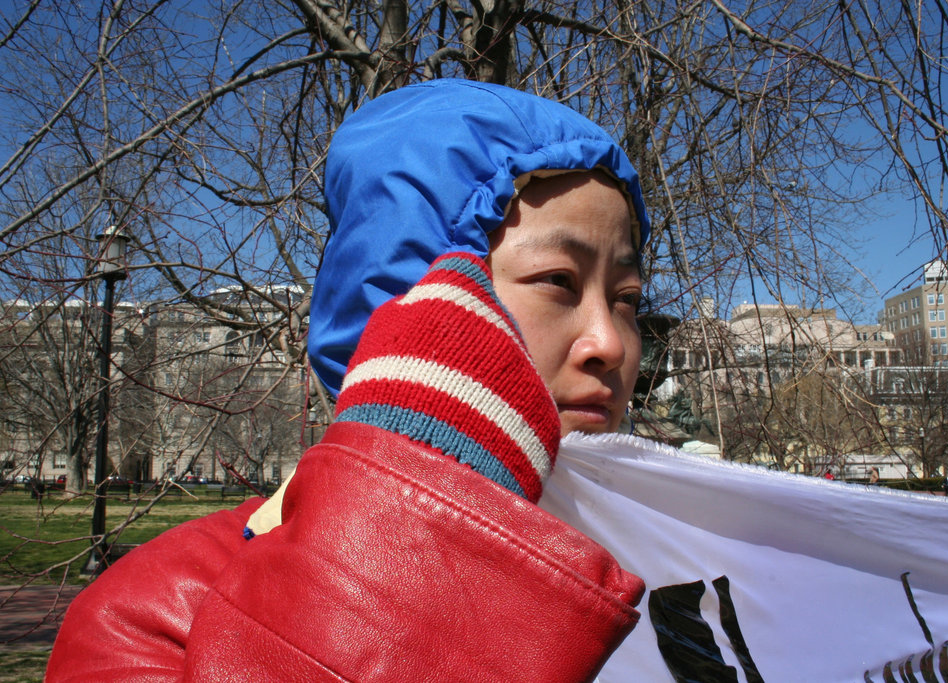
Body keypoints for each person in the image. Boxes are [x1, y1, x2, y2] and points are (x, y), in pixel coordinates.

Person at [47, 80, 650, 681]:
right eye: (557, 281)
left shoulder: (681, 569)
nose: (610, 343)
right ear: (417, 299)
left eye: (627, 298)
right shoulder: (146, 618)